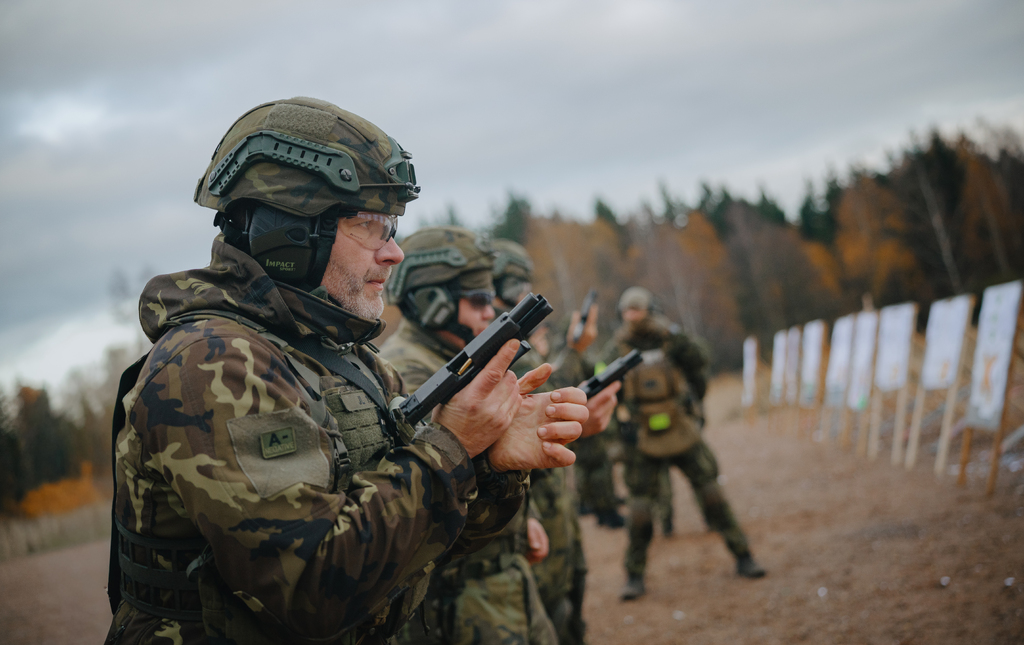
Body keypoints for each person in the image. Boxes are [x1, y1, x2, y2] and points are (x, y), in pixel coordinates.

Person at [103, 97, 589, 645]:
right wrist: (451, 448)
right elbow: (309, 587)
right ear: (289, 233)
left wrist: (487, 464)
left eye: (392, 228)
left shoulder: (346, 359)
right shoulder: (213, 363)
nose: (394, 253)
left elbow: (416, 549)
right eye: (370, 226)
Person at [490, 239, 616, 645]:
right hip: (531, 524)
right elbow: (554, 393)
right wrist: (575, 348)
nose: (521, 296)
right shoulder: (496, 349)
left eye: (524, 286)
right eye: (513, 287)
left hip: (555, 517)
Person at [608, 286, 765, 601]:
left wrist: (676, 338)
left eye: (637, 310)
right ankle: (634, 576)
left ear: (650, 310)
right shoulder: (616, 348)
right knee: (640, 511)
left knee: (712, 495)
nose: (632, 317)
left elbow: (700, 361)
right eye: (627, 311)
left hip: (681, 428)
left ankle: (743, 555)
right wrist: (619, 428)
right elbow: (602, 383)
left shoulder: (671, 339)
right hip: (642, 435)